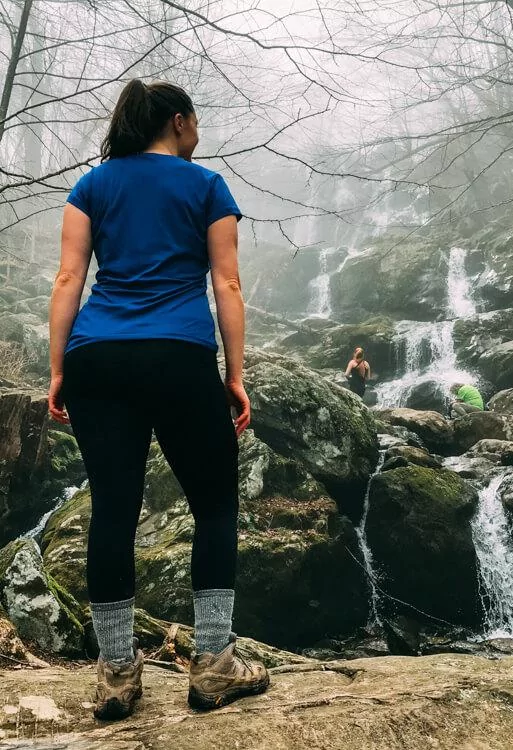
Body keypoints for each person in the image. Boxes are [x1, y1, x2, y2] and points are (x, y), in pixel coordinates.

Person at [48, 79, 269, 720]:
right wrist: (235, 372)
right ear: (178, 123)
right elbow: (226, 282)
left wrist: (60, 368)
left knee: (113, 511)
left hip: (97, 356)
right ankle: (214, 665)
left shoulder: (93, 185)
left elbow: (69, 277)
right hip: (179, 355)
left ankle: (117, 675)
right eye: (195, 123)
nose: (198, 134)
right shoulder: (205, 187)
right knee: (215, 505)